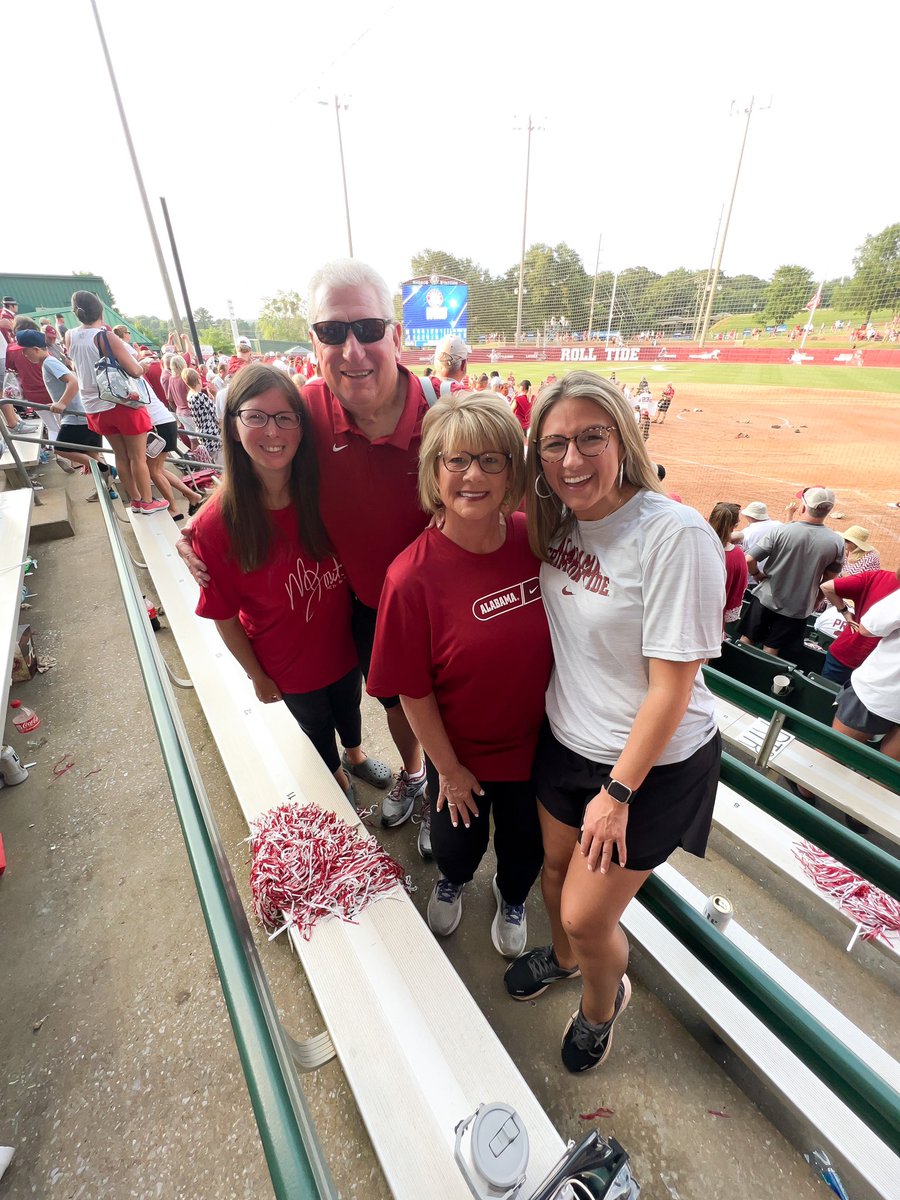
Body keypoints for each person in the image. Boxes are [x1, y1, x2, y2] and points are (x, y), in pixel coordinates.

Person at [503, 371, 725, 1075]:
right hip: (568, 740)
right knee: (554, 877)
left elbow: (672, 688)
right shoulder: (562, 520)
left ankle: (602, 1005)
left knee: (584, 916)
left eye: (591, 437)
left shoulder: (673, 535)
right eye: (556, 443)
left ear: (623, 437)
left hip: (647, 769)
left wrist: (618, 793)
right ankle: (569, 965)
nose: (573, 459)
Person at [178, 260, 438, 823]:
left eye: (368, 329)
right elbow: (257, 455)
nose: (353, 349)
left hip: (446, 609)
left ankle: (445, 801)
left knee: (453, 712)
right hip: (369, 605)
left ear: (395, 334)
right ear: (314, 340)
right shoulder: (306, 413)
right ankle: (416, 777)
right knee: (396, 704)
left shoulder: (444, 414)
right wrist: (200, 523)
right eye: (332, 331)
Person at [368, 394, 552, 953]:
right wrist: (446, 770)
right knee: (454, 848)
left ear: (511, 471)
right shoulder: (411, 578)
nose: (474, 475)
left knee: (524, 851)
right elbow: (411, 687)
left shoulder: (536, 542)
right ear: (435, 471)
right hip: (461, 756)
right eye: (458, 461)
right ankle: (452, 882)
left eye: (492, 460)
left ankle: (511, 894)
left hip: (536, 750)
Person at [190, 364, 388, 802]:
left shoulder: (323, 494)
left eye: (285, 417)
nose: (272, 430)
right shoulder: (215, 525)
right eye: (255, 416)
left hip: (342, 647)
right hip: (288, 667)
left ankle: (354, 755)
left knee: (349, 706)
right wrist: (256, 676)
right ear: (233, 425)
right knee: (315, 725)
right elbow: (223, 617)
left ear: (302, 427)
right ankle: (334, 775)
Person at [65, 289, 168, 513]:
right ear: (100, 310)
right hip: (119, 403)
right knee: (138, 457)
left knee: (120, 456)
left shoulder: (70, 335)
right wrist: (145, 366)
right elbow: (134, 370)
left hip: (93, 405)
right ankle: (148, 502)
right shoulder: (104, 335)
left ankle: (135, 500)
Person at [739, 487, 844, 661]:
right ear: (828, 510)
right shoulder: (836, 541)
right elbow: (828, 581)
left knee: (747, 639)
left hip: (767, 597)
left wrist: (757, 575)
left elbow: (749, 560)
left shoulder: (782, 530)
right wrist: (816, 600)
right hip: (799, 607)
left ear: (803, 507)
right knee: (772, 648)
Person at [16, 329, 117, 491]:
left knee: (61, 449)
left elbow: (73, 381)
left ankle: (105, 469)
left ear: (35, 349)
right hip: (82, 415)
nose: (24, 355)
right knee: (92, 454)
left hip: (76, 417)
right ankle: (107, 489)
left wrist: (62, 403)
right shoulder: (48, 363)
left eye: (25, 351)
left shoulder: (50, 362)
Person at [829, 588, 900, 761]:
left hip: (879, 692)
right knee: (884, 780)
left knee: (824, 765)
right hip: (881, 694)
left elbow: (867, 627)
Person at [816, 567, 900, 685]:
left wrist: (845, 612)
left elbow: (827, 587)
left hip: (845, 655)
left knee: (824, 697)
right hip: (878, 670)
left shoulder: (876, 576)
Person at [708, 502, 748, 630]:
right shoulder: (737, 555)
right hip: (712, 625)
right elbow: (738, 590)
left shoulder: (692, 544)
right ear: (735, 525)